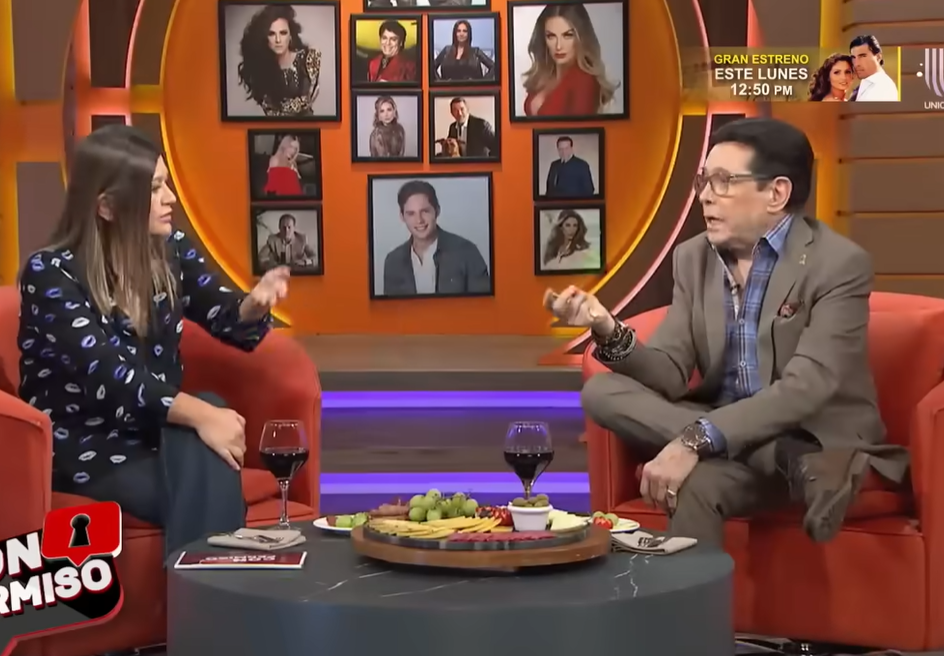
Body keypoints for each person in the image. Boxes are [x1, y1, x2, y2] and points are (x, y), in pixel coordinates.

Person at [548, 117, 908, 545]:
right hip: (785, 456)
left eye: (722, 181)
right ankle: (786, 459)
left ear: (776, 193)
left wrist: (694, 440)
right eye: (704, 180)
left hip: (814, 433)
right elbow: (669, 372)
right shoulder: (693, 258)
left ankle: (789, 455)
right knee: (602, 392)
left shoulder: (837, 264)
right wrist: (606, 328)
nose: (704, 195)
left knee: (695, 479)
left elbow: (806, 387)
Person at [17, 125, 292, 562]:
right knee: (211, 474)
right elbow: (111, 376)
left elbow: (222, 314)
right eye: (155, 189)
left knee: (206, 431)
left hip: (158, 433)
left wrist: (252, 306)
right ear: (107, 206)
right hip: (90, 447)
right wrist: (203, 415)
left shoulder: (170, 248)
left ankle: (199, 598)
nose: (171, 199)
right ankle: (214, 595)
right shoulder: (52, 274)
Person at [382, 180, 490, 296]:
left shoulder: (467, 252)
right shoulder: (393, 261)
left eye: (425, 211)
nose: (419, 220)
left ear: (437, 211)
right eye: (411, 214)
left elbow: (484, 304)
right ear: (402, 217)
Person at [520, 3, 619, 117]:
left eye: (567, 35)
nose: (558, 46)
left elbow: (580, 128)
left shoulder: (584, 81)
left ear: (581, 37)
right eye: (551, 36)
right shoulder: (544, 75)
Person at [238, 5, 321, 117]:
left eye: (283, 33)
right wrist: (299, 105)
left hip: (307, 125)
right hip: (278, 127)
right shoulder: (260, 70)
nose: (278, 40)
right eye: (271, 34)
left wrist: (288, 108)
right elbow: (272, 113)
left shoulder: (309, 57)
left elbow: (308, 98)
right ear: (264, 38)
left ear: (290, 35)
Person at [849, 34, 899, 102]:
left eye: (862, 56)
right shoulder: (868, 84)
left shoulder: (883, 88)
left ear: (878, 57)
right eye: (853, 57)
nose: (856, 64)